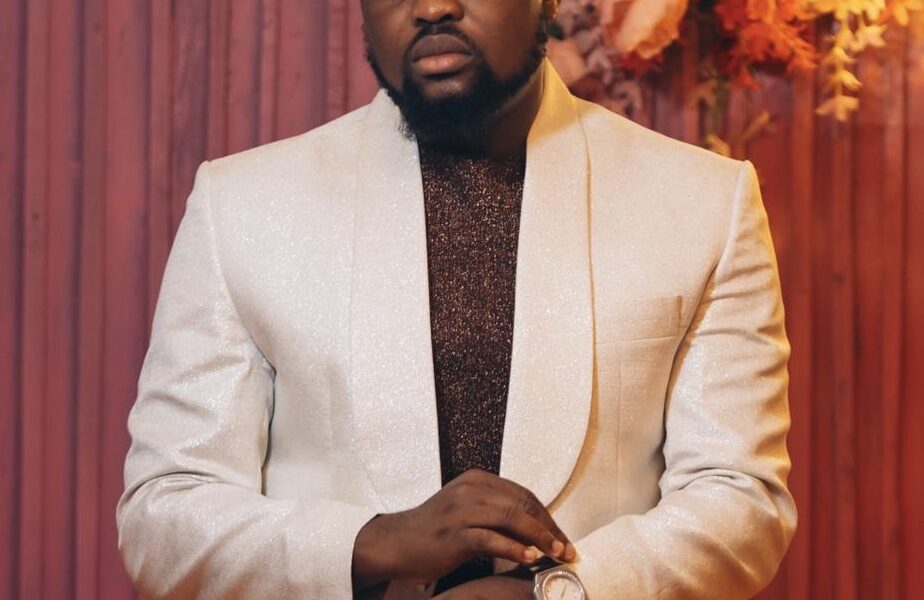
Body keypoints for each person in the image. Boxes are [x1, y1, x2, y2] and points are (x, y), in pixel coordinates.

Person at [116, 0, 797, 598]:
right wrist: (370, 545)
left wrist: (562, 592)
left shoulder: (705, 203)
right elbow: (163, 514)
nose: (432, 6)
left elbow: (743, 499)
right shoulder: (241, 207)